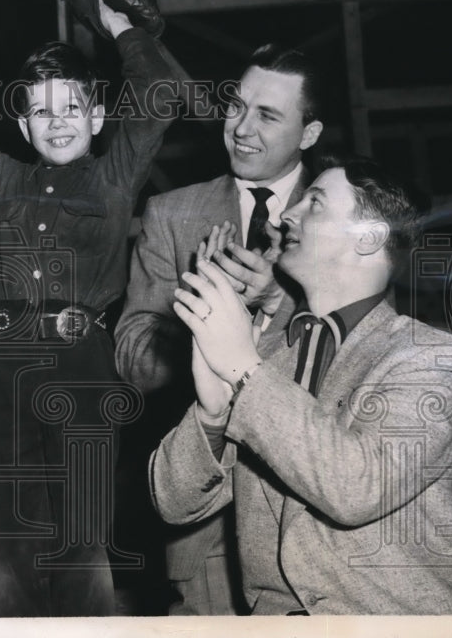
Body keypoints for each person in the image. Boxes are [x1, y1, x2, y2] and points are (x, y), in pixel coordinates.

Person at [0, 0, 178, 615]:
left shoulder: (114, 176)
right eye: (39, 110)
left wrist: (120, 28)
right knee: (7, 538)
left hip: (82, 357)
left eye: (71, 107)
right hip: (1, 360)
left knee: (81, 537)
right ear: (22, 123)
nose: (56, 120)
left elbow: (159, 95)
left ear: (96, 117)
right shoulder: (0, 176)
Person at [150, 158, 452, 614]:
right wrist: (212, 415)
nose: (284, 216)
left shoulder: (428, 358)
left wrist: (244, 370)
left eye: (314, 202)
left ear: (369, 237)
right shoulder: (271, 361)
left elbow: (357, 489)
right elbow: (174, 503)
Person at [114, 43, 325, 614]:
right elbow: (133, 358)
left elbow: (363, 351)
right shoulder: (171, 213)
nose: (240, 127)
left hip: (320, 526)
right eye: (236, 106)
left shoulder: (345, 213)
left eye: (268, 115)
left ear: (309, 133)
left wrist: (278, 303)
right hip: (208, 532)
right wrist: (203, 320)